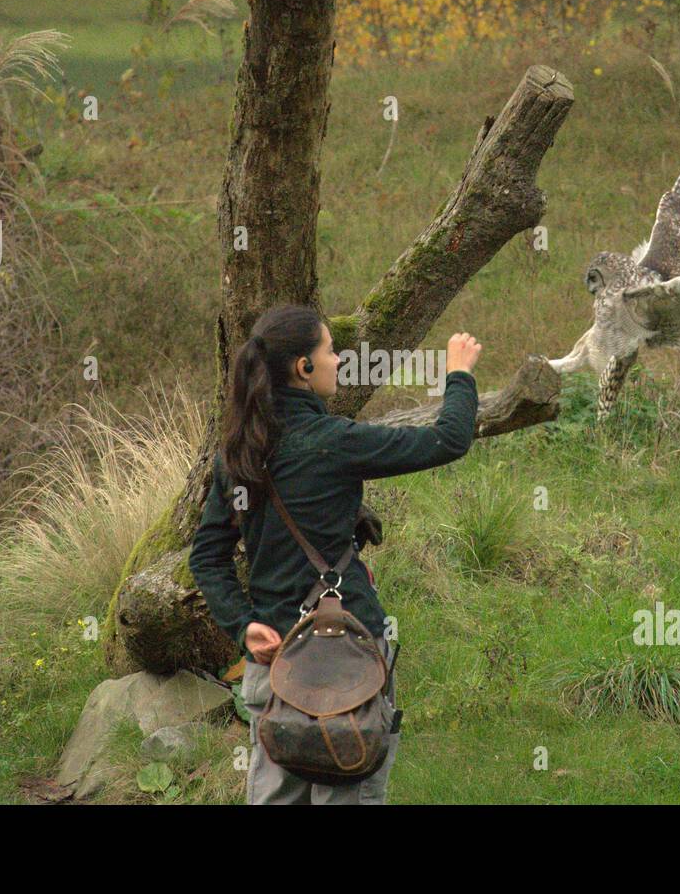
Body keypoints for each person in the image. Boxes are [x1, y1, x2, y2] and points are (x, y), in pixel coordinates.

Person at [189, 304, 482, 804]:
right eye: (330, 350)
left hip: (274, 662)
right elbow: (448, 440)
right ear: (304, 368)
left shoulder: (238, 452)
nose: (339, 360)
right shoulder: (333, 442)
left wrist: (242, 625)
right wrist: (458, 375)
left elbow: (207, 557)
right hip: (349, 661)